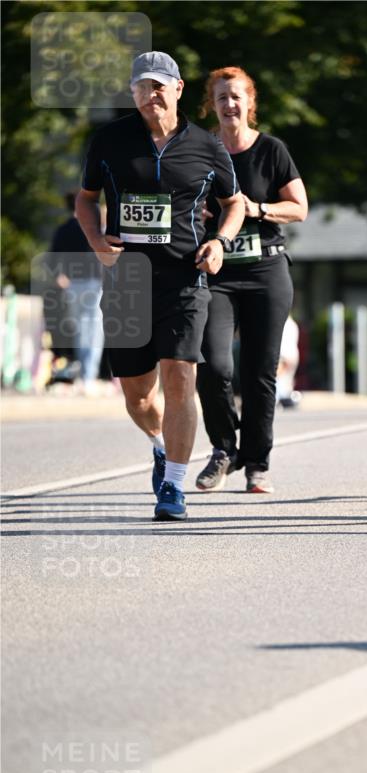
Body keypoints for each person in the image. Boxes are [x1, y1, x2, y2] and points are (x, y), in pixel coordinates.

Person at [75, 51, 244, 520]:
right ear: (132, 93)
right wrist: (95, 242)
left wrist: (220, 243)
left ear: (178, 89)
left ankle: (173, 486)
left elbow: (234, 204)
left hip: (184, 279)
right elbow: (85, 201)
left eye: (158, 86)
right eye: (141, 87)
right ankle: (158, 443)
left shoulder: (208, 147)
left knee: (180, 376)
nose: (149, 95)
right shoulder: (109, 141)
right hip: (127, 280)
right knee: (138, 395)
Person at [195, 66, 308, 495]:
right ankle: (224, 448)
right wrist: (197, 212)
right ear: (213, 104)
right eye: (221, 97)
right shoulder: (201, 150)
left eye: (237, 96)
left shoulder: (271, 150)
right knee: (213, 363)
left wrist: (257, 209)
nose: (229, 104)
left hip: (265, 269)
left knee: (261, 371)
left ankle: (257, 463)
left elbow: (299, 208)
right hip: (217, 271)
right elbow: (179, 198)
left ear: (250, 103)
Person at [50, 192, 104, 394]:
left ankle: (86, 374)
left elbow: (53, 258)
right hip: (89, 283)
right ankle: (87, 375)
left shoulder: (64, 229)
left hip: (76, 284)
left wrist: (59, 276)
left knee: (84, 329)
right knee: (92, 330)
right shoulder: (92, 227)